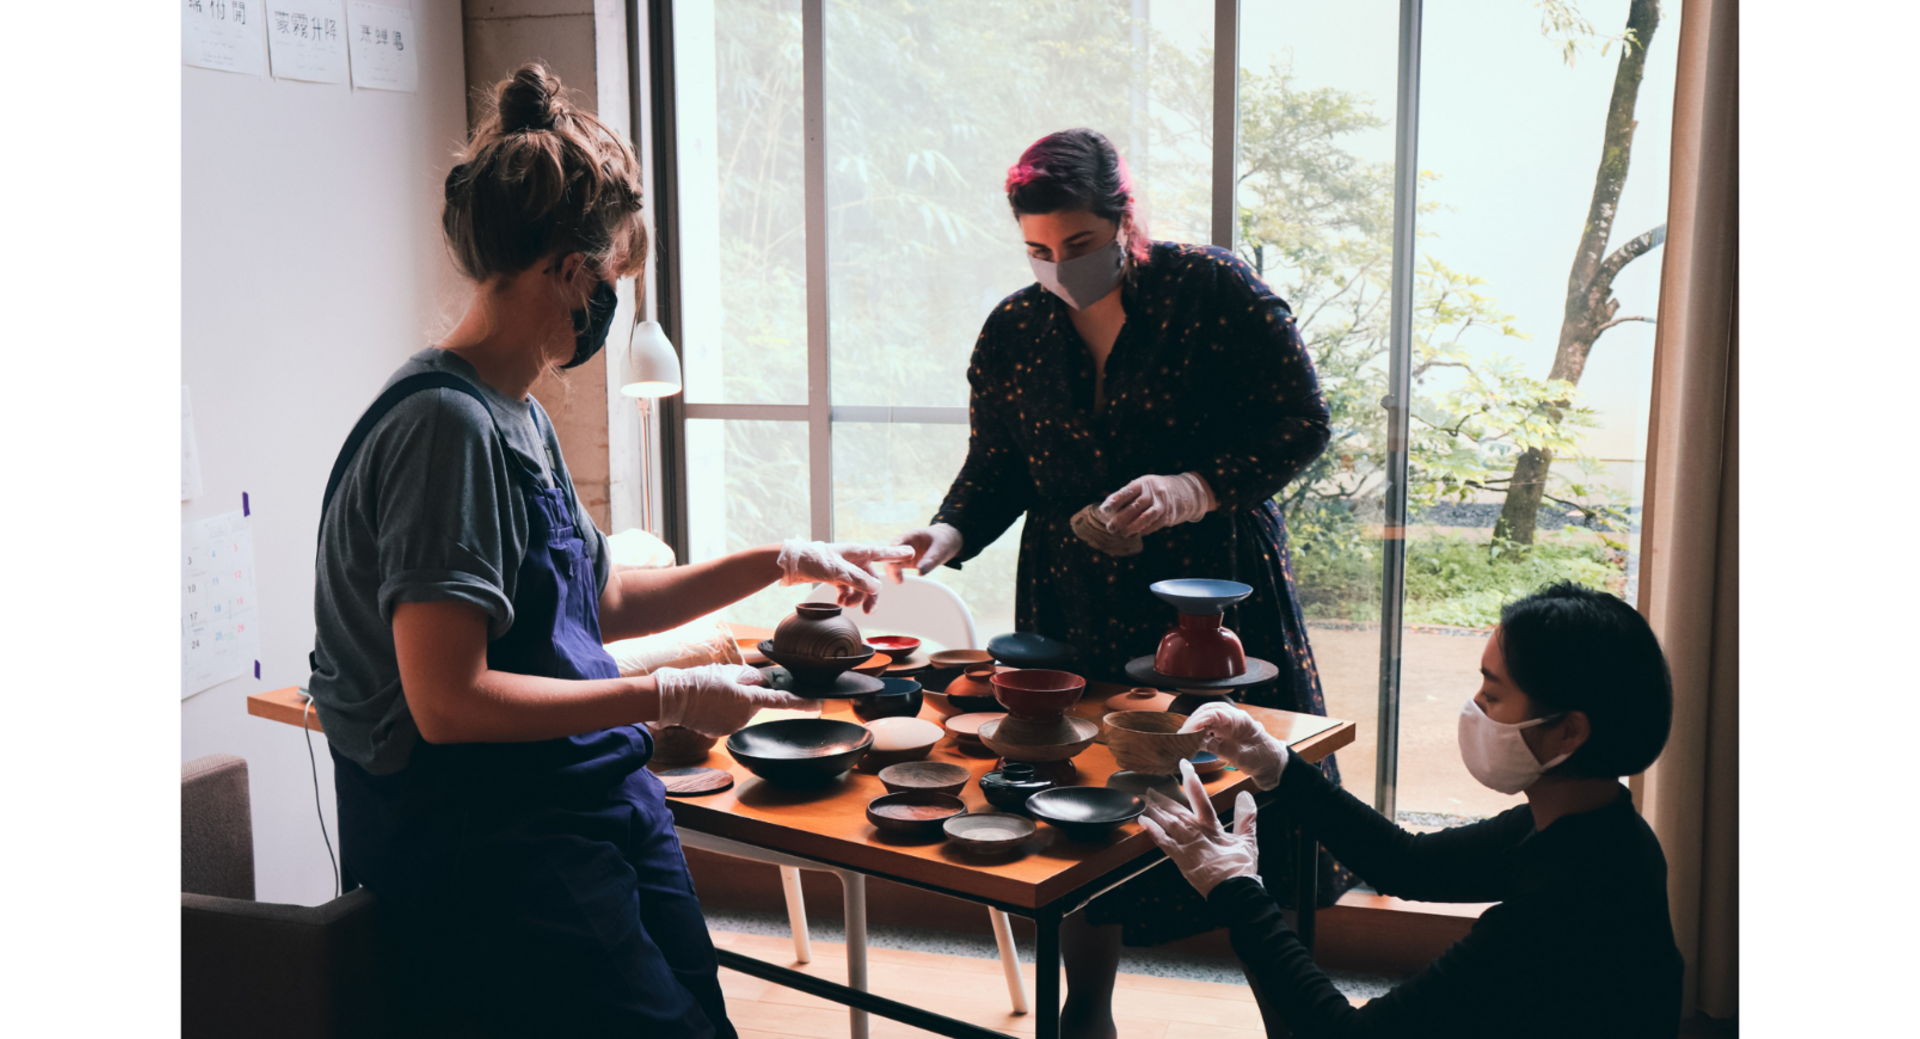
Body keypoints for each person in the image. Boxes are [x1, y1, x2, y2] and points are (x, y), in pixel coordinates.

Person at [306, 63, 913, 1037]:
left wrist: (783, 557)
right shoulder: (444, 432)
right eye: (615, 279)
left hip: (592, 796)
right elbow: (447, 699)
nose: (611, 306)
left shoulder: (519, 416)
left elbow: (607, 600)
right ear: (565, 271)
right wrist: (667, 696)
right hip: (494, 840)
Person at [887, 127, 1345, 1037]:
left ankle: (1296, 1012)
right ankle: (1085, 1009)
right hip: (1073, 600)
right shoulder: (1015, 328)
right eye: (1039, 251)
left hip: (1207, 595)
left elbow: (1303, 422)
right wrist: (944, 532)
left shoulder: (1211, 290)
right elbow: (998, 466)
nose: (1062, 267)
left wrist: (1195, 487)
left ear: (1126, 220)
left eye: (1082, 245)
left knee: (1235, 794)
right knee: (1079, 799)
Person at [1139, 582, 1684, 1038]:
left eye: (1492, 696)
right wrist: (1277, 763)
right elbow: (1407, 863)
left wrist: (1236, 889)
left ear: (1568, 730)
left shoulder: (1564, 905)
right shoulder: (1596, 826)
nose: (1474, 709)